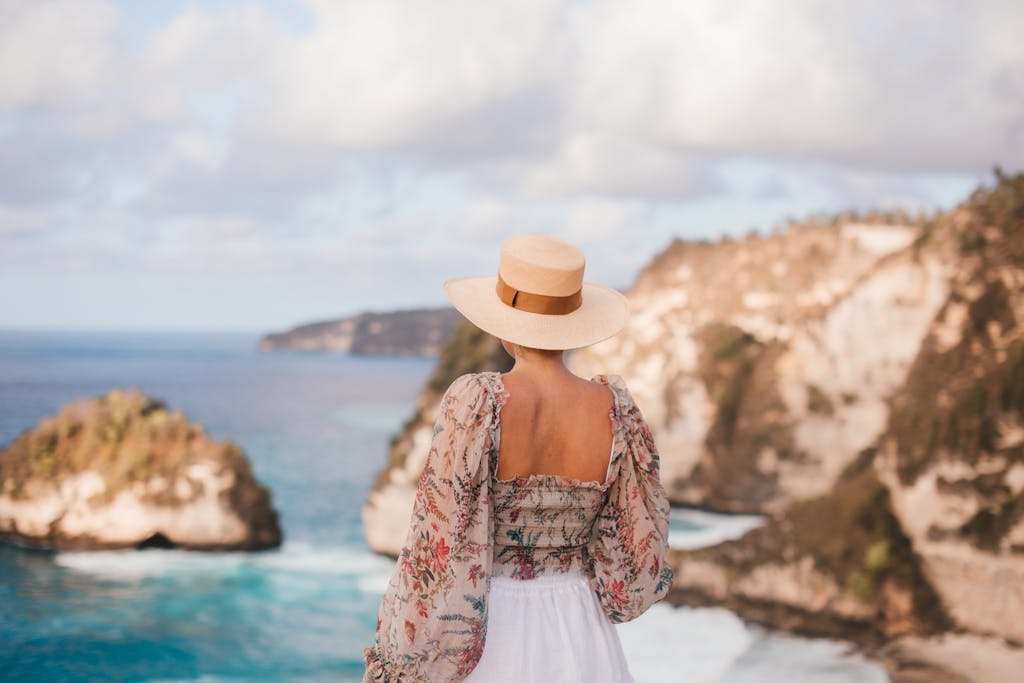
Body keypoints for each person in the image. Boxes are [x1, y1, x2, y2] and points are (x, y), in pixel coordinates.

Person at [362, 233, 673, 682]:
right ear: (574, 319)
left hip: (490, 628)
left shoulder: (478, 401)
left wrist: (400, 661)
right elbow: (632, 542)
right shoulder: (615, 409)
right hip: (579, 625)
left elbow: (437, 543)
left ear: (504, 321)